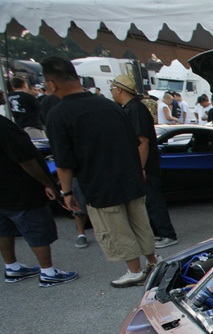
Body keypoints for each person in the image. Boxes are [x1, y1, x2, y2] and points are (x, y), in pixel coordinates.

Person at [42, 56, 158, 288]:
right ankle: (153, 262)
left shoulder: (59, 114)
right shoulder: (109, 105)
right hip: (129, 175)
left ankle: (135, 270)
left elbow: (63, 161)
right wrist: (139, 170)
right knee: (139, 221)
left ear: (52, 84)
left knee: (116, 227)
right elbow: (134, 142)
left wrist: (67, 192)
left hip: (99, 182)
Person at [0, 115, 77, 287]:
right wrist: (47, 183)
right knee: (36, 229)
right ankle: (48, 272)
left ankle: (12, 267)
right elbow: (25, 159)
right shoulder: (5, 127)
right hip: (19, 190)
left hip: (3, 193)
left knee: (3, 230)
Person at [110, 74, 178, 250]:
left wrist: (140, 167)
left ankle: (166, 233)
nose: (111, 92)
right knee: (147, 201)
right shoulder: (131, 108)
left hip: (145, 165)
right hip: (140, 164)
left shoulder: (136, 109)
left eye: (112, 89)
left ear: (119, 89)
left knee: (153, 200)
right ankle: (157, 233)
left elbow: (143, 141)